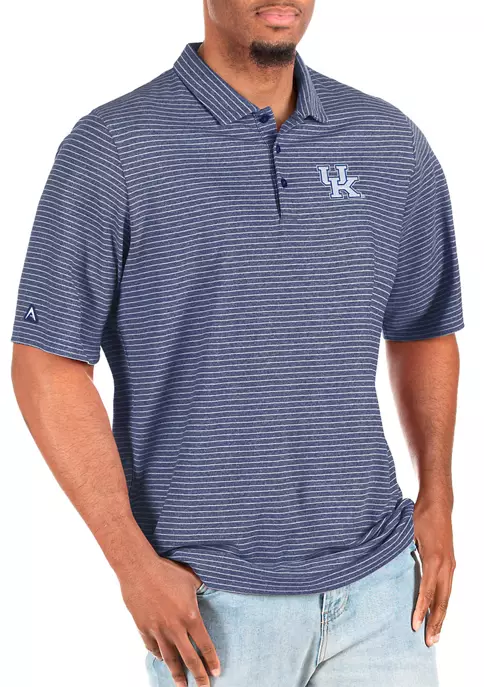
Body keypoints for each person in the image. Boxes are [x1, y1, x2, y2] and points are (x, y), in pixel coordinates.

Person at [11, 1, 464, 686]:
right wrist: (133, 565)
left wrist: (439, 497)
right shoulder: (114, 147)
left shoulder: (388, 141)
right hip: (209, 605)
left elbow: (424, 325)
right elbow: (46, 363)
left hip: (382, 593)